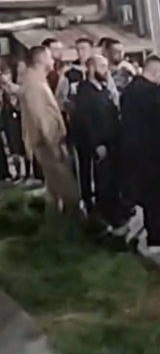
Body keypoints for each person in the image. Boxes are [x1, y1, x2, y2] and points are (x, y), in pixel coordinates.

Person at [120, 55, 160, 252]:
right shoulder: (152, 94)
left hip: (134, 152)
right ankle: (159, 239)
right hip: (153, 153)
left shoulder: (129, 91)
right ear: (155, 72)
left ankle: (153, 234)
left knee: (147, 197)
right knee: (157, 197)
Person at [18, 46, 80, 212]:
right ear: (41, 60)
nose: (53, 60)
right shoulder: (34, 85)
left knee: (55, 185)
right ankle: (71, 219)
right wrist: (54, 144)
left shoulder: (35, 81)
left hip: (47, 141)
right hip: (49, 142)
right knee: (64, 185)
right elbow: (41, 117)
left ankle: (59, 216)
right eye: (50, 57)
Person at [72, 54, 126, 231]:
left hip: (111, 142)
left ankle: (116, 210)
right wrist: (96, 144)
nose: (106, 70)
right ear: (92, 68)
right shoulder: (85, 93)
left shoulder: (103, 89)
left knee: (112, 179)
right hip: (99, 144)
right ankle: (106, 215)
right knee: (103, 180)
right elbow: (87, 121)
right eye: (102, 66)